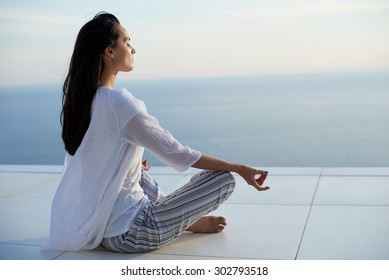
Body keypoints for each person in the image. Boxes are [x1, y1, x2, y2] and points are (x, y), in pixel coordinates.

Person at [43, 12, 270, 253]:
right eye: (127, 42)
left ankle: (184, 220)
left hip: (97, 230)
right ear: (110, 51)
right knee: (223, 178)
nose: (132, 49)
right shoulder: (120, 103)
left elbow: (94, 159)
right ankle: (189, 222)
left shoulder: (84, 101)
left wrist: (129, 161)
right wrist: (239, 168)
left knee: (137, 171)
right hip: (135, 233)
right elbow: (179, 154)